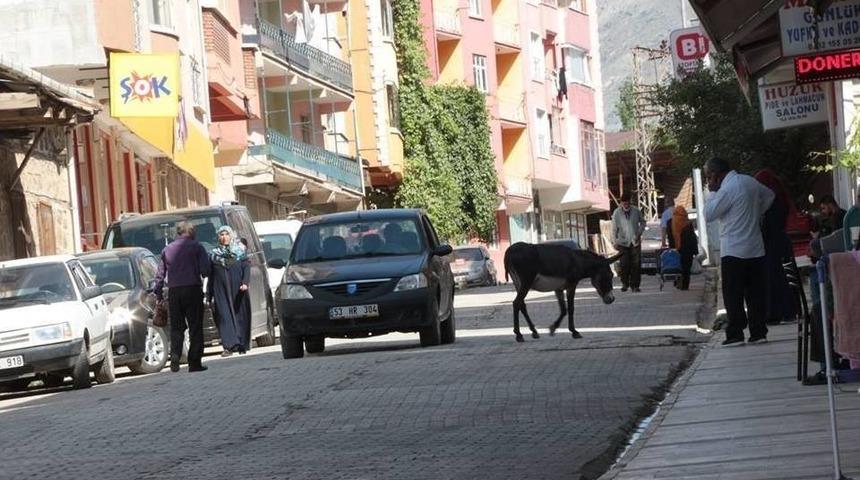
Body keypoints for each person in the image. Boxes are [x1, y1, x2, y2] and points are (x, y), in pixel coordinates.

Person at [704, 157, 774, 347]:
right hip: (755, 248)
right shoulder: (750, 182)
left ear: (716, 175)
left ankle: (735, 333)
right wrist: (757, 213)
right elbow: (769, 196)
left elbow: (708, 214)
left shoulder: (727, 189)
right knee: (756, 294)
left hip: (733, 250)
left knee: (733, 295)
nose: (709, 181)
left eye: (709, 177)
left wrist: (712, 193)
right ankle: (758, 332)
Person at [153, 221, 212, 372]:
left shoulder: (167, 249)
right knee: (195, 327)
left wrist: (158, 294)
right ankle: (194, 362)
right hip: (192, 289)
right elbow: (205, 270)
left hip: (174, 292)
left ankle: (175, 357)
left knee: (177, 327)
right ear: (191, 231)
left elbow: (159, 276)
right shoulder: (197, 247)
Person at [754, 169, 798, 326]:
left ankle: (776, 312)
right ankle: (787, 311)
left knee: (774, 279)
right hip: (780, 242)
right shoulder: (780, 198)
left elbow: (769, 225)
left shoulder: (772, 202)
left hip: (772, 244)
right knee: (782, 278)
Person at [207, 226, 252, 357]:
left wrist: (245, 283)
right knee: (224, 317)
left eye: (226, 234)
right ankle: (229, 346)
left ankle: (241, 343)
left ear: (231, 236)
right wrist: (209, 294)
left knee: (240, 315)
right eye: (221, 235)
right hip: (220, 291)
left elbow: (246, 267)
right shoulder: (213, 255)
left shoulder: (240, 251)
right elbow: (210, 275)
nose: (224, 237)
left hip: (238, 290)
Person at [611, 192, 646, 292]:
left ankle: (635, 285)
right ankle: (625, 283)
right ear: (621, 203)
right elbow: (613, 229)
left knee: (636, 264)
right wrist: (614, 241)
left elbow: (643, 222)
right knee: (624, 264)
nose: (626, 205)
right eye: (624, 203)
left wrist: (639, 232)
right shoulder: (617, 213)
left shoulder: (636, 211)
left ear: (630, 202)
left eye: (627, 203)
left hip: (635, 241)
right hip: (622, 243)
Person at [666, 205, 698, 290]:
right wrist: (695, 251)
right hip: (688, 250)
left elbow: (670, 237)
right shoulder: (688, 223)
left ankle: (677, 282)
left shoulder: (670, 222)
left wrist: (672, 248)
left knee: (677, 266)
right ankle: (685, 285)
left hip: (676, 249)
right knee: (686, 268)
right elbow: (692, 238)